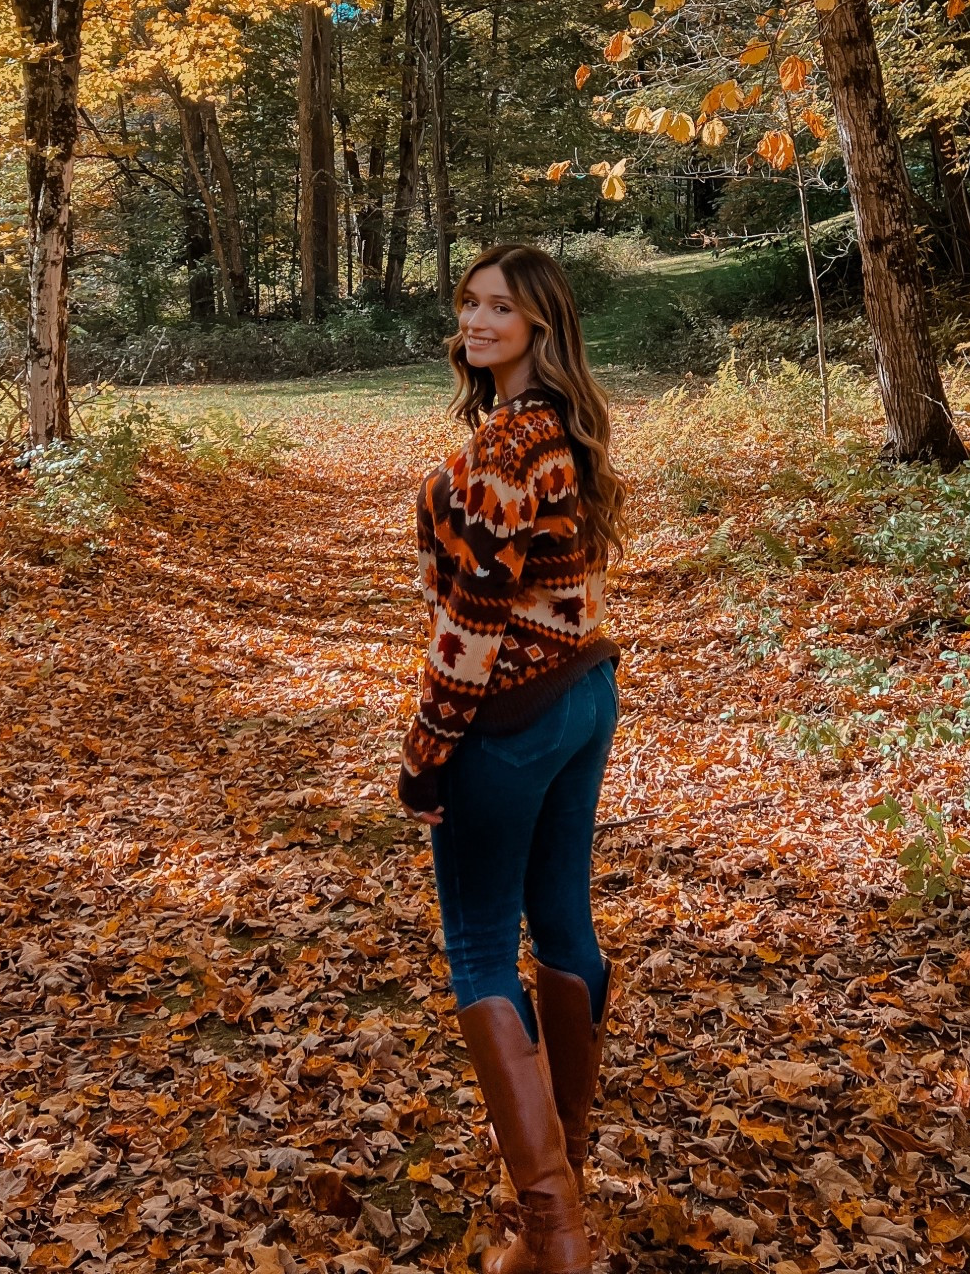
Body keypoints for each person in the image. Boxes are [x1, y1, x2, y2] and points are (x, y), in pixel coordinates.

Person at [397, 243, 627, 1274]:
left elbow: (476, 620)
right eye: (471, 302)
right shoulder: (552, 428)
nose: (479, 320)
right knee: (566, 920)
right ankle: (563, 1169)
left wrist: (427, 749)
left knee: (483, 948)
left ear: (540, 324)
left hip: (512, 715)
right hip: (584, 689)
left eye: (503, 307)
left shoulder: (500, 450)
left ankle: (551, 1233)